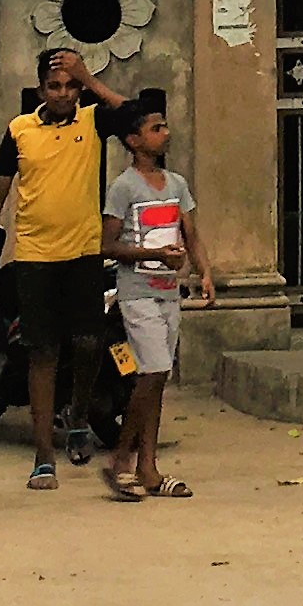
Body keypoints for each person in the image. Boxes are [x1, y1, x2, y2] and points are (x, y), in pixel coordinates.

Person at [0, 46, 108, 490]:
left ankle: (78, 412)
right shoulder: (20, 131)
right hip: (35, 257)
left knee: (88, 342)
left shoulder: (95, 120)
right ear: (41, 88)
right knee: (41, 353)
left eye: (71, 85)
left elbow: (133, 112)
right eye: (54, 85)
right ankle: (45, 455)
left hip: (84, 252)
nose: (63, 94)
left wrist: (91, 79)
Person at [99, 89, 205, 500]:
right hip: (137, 291)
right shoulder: (123, 188)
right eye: (155, 128)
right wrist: (154, 254)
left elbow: (191, 232)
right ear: (134, 140)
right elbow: (107, 246)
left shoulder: (176, 184)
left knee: (157, 379)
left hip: (168, 292)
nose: (165, 134)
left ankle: (148, 468)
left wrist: (205, 271)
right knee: (154, 372)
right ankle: (122, 457)